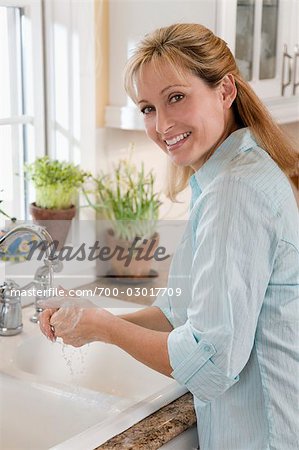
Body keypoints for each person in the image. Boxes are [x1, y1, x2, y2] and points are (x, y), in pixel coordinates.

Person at [39, 23, 299, 450]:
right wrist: (94, 321)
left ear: (225, 91)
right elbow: (182, 312)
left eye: (176, 97)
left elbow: (212, 365)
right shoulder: (226, 176)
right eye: (146, 108)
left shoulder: (236, 192)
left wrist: (106, 328)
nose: (161, 124)